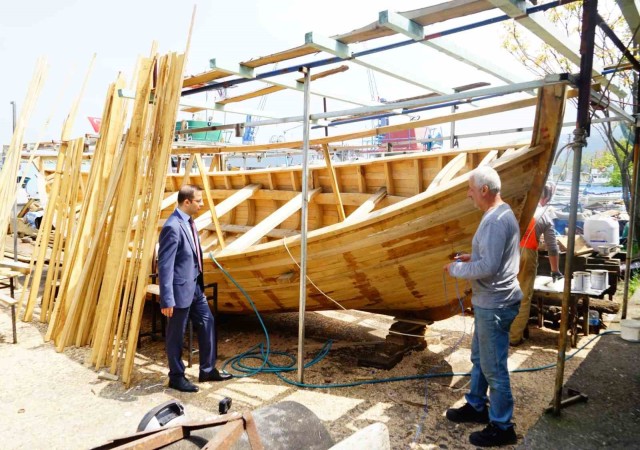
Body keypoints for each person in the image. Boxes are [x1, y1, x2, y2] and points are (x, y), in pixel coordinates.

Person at [443, 166, 521, 447]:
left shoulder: (494, 221)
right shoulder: (501, 213)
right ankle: (476, 406)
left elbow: (488, 267)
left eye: (471, 190)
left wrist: (455, 268)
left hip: (495, 304)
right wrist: (469, 256)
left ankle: (503, 426)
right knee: (480, 358)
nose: (469, 195)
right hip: (494, 301)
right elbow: (492, 256)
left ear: (484, 190)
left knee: (494, 367)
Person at [158, 184, 231, 393]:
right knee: (176, 335)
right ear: (187, 202)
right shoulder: (172, 226)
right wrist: (167, 299)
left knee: (208, 322)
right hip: (179, 291)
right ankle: (176, 376)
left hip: (195, 286)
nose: (201, 204)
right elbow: (165, 265)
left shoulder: (189, 222)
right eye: (198, 200)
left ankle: (207, 370)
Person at [510, 183, 562, 346]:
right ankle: (513, 338)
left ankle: (497, 333)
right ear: (545, 198)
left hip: (508, 252)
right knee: (523, 297)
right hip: (527, 253)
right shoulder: (545, 215)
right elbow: (553, 248)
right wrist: (555, 270)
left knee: (504, 294)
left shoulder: (519, 208)